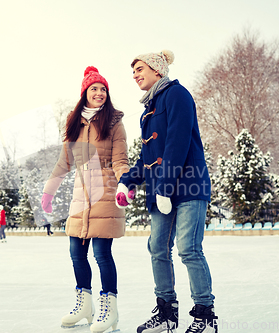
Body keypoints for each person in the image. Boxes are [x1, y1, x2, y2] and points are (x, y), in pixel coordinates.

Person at [115, 50, 218, 333]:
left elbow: (177, 143)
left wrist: (164, 185)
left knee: (188, 249)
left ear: (157, 70)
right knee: (158, 248)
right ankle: (167, 313)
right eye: (133, 71)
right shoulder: (149, 108)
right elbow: (148, 155)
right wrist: (128, 180)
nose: (135, 74)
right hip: (162, 191)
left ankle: (205, 316)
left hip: (188, 185)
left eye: (139, 68)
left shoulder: (177, 95)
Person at [41, 66, 129, 333]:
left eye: (103, 89)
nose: (100, 93)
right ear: (85, 93)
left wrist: (125, 183)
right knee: (76, 253)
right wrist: (49, 190)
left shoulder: (114, 122)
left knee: (102, 254)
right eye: (95, 89)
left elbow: (120, 160)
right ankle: (85, 306)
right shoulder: (74, 123)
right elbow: (64, 162)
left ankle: (109, 310)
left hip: (105, 192)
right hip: (81, 196)